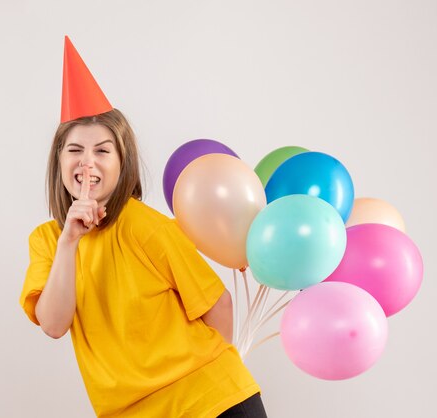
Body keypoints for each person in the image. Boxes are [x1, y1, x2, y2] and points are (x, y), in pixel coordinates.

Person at [20, 36, 268, 418]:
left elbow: (218, 303)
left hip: (210, 402)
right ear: (59, 162)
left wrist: (207, 379)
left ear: (123, 163)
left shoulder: (144, 225)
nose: (88, 163)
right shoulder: (47, 241)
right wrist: (69, 240)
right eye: (75, 150)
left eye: (102, 150)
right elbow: (53, 324)